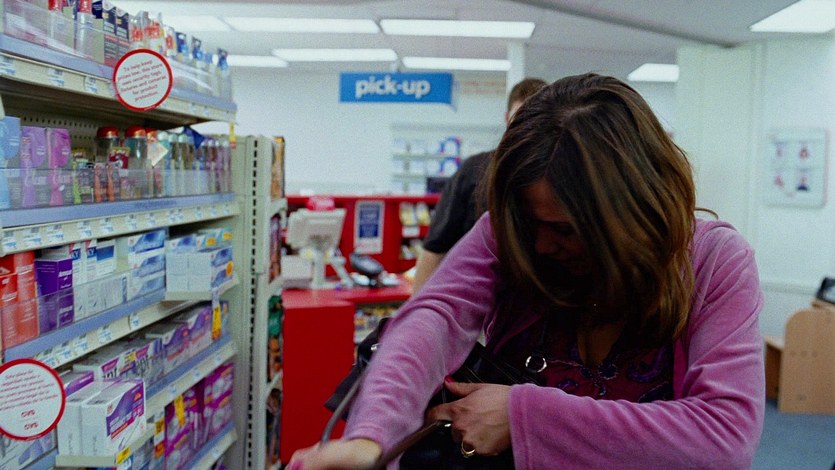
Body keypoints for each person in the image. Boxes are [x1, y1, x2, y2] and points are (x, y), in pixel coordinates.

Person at [289, 73, 765, 469]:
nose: (539, 246)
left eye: (565, 228)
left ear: (629, 211)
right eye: (529, 223)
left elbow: (724, 438)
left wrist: (523, 416)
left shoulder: (713, 261)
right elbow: (435, 317)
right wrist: (371, 437)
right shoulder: (509, 233)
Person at [412, 78, 547, 292]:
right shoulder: (474, 171)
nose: (527, 129)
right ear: (507, 119)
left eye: (537, 120)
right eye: (520, 119)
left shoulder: (561, 177)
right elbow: (434, 249)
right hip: (475, 299)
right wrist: (416, 307)